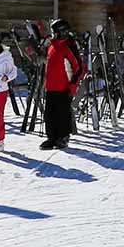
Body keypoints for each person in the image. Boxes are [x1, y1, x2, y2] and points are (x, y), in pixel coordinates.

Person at [39, 20, 85, 150]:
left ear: (61, 32)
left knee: (62, 113)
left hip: (64, 87)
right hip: (51, 86)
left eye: (54, 32)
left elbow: (79, 68)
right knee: (49, 114)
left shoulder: (69, 46)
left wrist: (73, 85)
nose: (52, 35)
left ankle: (63, 137)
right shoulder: (52, 45)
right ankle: (51, 138)